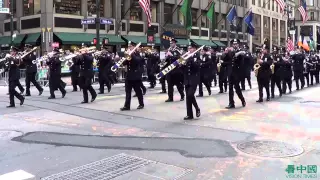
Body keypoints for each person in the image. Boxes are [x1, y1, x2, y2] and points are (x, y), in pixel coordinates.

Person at [120, 41, 144, 111]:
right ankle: (127, 106)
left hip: (135, 76)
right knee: (127, 92)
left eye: (130, 46)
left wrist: (131, 54)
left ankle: (141, 104)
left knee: (138, 91)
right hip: (129, 75)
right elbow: (124, 63)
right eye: (128, 46)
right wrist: (125, 57)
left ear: (133, 47)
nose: (129, 48)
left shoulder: (137, 54)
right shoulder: (128, 54)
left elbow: (138, 61)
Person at [225, 39, 246, 108]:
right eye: (233, 44)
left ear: (238, 44)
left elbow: (242, 58)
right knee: (230, 88)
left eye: (236, 44)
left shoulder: (241, 51)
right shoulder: (231, 51)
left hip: (237, 73)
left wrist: (239, 53)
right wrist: (226, 53)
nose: (235, 45)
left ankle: (242, 100)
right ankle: (231, 103)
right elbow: (227, 59)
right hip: (231, 72)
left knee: (237, 88)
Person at [183, 42, 201, 120]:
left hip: (194, 79)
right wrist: (181, 64)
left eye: (190, 48)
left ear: (194, 49)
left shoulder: (197, 56)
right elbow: (183, 69)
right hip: (187, 79)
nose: (189, 50)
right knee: (188, 97)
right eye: (188, 48)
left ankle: (197, 108)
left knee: (190, 94)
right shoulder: (186, 57)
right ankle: (189, 114)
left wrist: (190, 59)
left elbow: (197, 66)